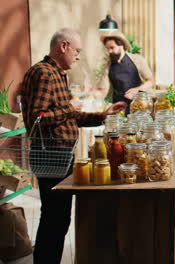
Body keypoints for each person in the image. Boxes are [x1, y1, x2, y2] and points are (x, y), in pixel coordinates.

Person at [19, 28, 127, 264]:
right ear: (63, 47)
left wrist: (103, 114)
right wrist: (71, 108)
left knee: (57, 217)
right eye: (77, 51)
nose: (78, 56)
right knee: (55, 218)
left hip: (60, 154)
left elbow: (68, 118)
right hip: (52, 155)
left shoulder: (57, 74)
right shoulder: (45, 74)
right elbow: (37, 119)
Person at [90, 31, 155, 113]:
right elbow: (103, 90)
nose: (109, 51)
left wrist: (137, 90)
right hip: (118, 109)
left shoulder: (138, 60)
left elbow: (150, 81)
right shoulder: (107, 66)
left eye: (112, 48)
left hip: (138, 107)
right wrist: (91, 94)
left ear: (121, 46)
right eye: (107, 48)